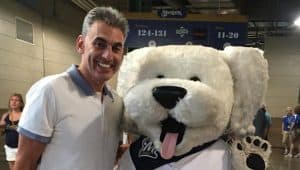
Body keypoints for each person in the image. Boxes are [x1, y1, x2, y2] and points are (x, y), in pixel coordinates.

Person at [14, 6, 129, 170]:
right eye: (100, 44)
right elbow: (24, 164)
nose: (108, 55)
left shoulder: (116, 103)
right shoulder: (50, 91)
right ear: (81, 44)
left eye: (116, 48)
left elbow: (98, 154)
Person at [0, 93, 24, 170]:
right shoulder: (5, 115)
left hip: (21, 147)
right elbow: (2, 132)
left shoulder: (25, 115)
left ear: (21, 103)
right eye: (12, 100)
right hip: (9, 147)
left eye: (16, 100)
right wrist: (1, 128)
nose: (13, 102)